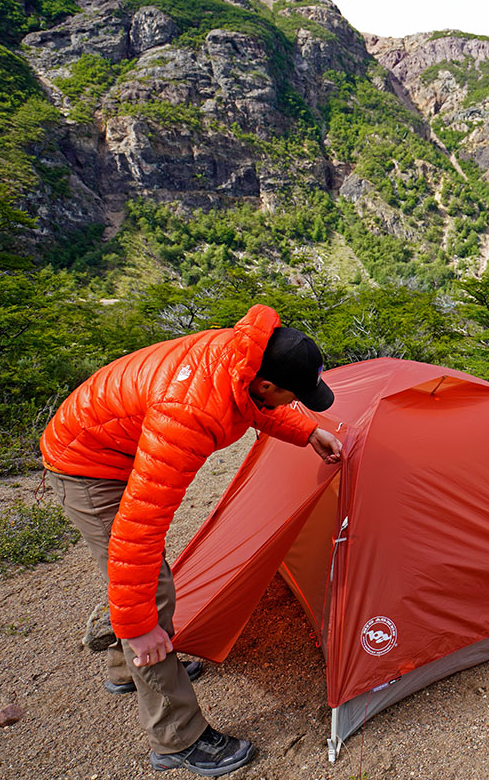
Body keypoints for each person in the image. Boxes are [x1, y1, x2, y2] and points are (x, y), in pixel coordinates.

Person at [40, 304, 342, 776]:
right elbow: (135, 534)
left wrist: (306, 431)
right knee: (149, 594)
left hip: (117, 437)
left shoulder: (240, 357)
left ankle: (126, 671)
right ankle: (177, 738)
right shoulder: (187, 415)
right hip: (89, 464)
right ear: (266, 383)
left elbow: (248, 405)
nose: (291, 403)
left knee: (147, 583)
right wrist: (140, 628)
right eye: (292, 396)